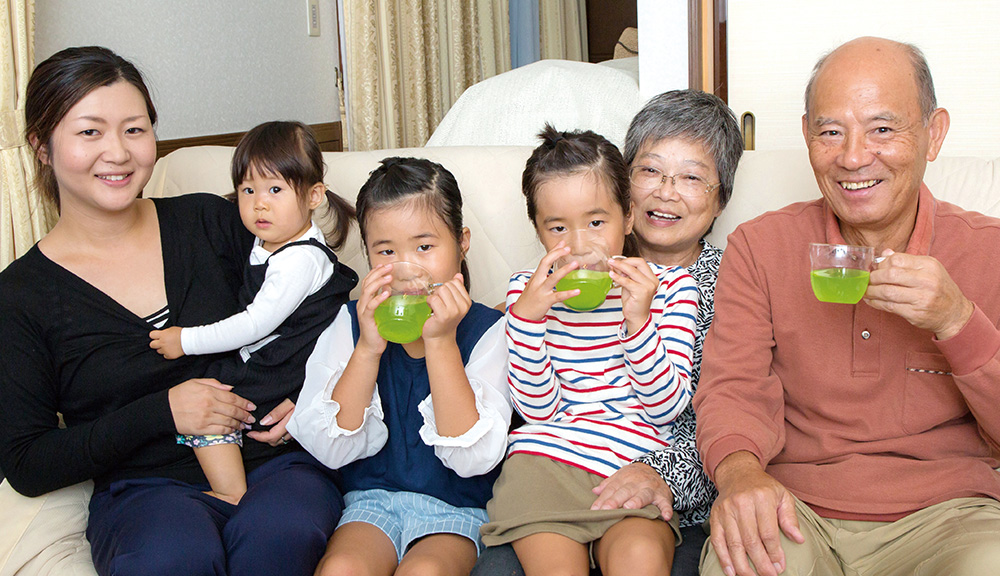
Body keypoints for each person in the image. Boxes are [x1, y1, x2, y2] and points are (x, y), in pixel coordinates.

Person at [0, 46, 346, 576]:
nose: (117, 152)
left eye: (134, 130)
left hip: (273, 463)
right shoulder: (21, 295)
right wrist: (162, 411)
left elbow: (326, 300)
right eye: (89, 132)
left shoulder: (211, 221)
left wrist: (313, 398)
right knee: (171, 559)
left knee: (280, 537)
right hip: (146, 490)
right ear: (41, 147)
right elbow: (28, 461)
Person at [695, 36, 1000, 576]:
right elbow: (732, 389)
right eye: (830, 132)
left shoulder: (988, 249)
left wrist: (957, 321)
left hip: (952, 517)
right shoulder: (760, 246)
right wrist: (740, 476)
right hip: (797, 510)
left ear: (934, 134)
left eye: (882, 129)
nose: (853, 156)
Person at [473, 91, 743, 576]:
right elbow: (534, 407)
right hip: (545, 464)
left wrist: (638, 323)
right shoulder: (534, 291)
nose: (665, 191)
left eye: (691, 177)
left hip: (647, 470)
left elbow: (696, 411)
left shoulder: (716, 288)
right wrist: (523, 319)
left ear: (720, 198)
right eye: (651, 171)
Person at [287, 157, 511, 576]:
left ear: (462, 242)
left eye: (424, 247)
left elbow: (473, 458)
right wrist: (368, 349)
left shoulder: (490, 331)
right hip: (370, 502)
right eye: (386, 251)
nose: (407, 271)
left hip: (457, 509)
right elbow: (331, 445)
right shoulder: (350, 322)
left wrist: (441, 341)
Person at [147, 120, 358, 504]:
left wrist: (186, 339)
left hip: (289, 366)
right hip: (279, 356)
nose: (259, 203)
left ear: (314, 196)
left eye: (275, 189)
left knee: (213, 402)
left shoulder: (299, 260)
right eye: (248, 190)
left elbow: (256, 322)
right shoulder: (271, 243)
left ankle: (230, 491)